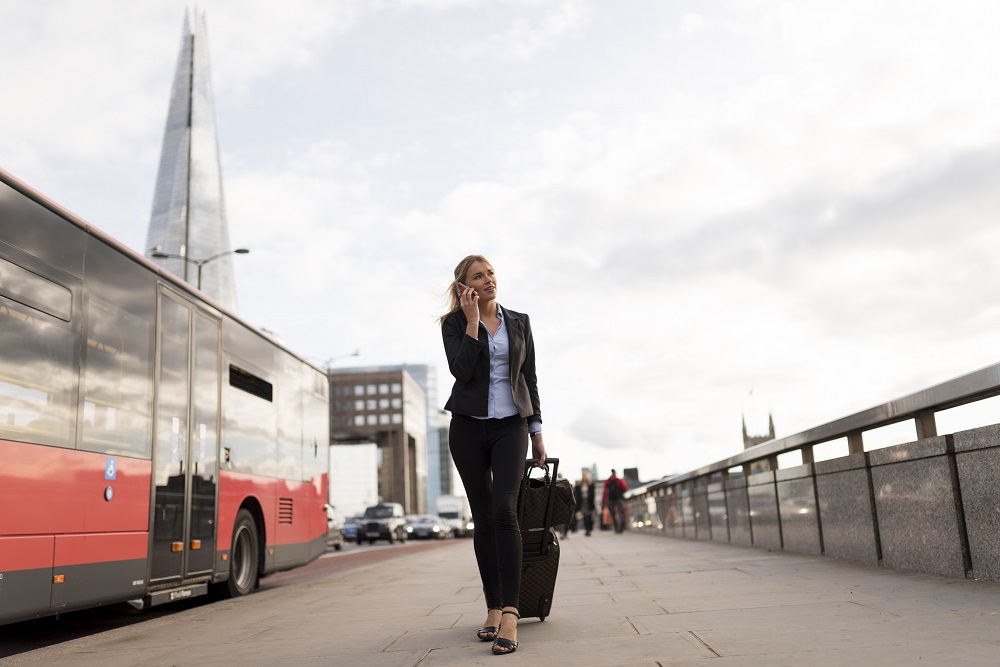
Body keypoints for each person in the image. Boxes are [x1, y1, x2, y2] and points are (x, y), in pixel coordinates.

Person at [440, 254, 547, 657]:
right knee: (482, 518)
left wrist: (536, 430)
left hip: (510, 426)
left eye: (490, 274)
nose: (489, 280)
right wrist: (470, 322)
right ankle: (492, 606)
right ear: (465, 286)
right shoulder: (453, 325)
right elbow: (461, 372)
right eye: (478, 276)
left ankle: (512, 613)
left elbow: (529, 376)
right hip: (467, 427)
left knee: (505, 509)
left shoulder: (519, 321)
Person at [603, 469, 628, 534]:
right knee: (621, 513)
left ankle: (616, 527)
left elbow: (605, 492)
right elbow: (625, 488)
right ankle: (620, 526)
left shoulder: (607, 481)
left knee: (613, 514)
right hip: (618, 498)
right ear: (615, 473)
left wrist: (604, 502)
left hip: (610, 499)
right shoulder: (619, 480)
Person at [574, 470, 596, 536]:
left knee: (589, 516)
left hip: (589, 502)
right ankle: (587, 530)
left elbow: (592, 494)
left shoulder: (591, 484)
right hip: (582, 502)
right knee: (585, 516)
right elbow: (577, 493)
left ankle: (589, 529)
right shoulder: (579, 485)